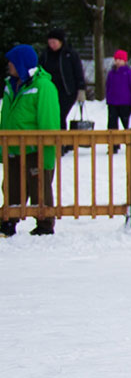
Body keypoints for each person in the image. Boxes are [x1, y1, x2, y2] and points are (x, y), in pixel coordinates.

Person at [2, 43, 61, 237]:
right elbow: (6, 117)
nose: (9, 65)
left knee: (39, 187)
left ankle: (44, 225)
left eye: (12, 62)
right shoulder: (11, 85)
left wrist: (48, 152)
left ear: (21, 63)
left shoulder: (43, 86)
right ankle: (8, 221)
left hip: (36, 149)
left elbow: (49, 122)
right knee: (10, 187)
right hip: (12, 147)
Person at [39, 30, 85, 122]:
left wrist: (81, 88)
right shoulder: (45, 54)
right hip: (50, 90)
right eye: (50, 42)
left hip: (67, 91)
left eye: (54, 42)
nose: (52, 45)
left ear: (60, 42)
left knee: (60, 115)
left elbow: (78, 71)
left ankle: (60, 134)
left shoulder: (70, 54)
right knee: (53, 115)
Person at [103, 50, 131, 131]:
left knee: (128, 124)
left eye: (120, 59)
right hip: (113, 102)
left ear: (125, 61)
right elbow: (108, 86)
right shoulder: (111, 73)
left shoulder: (129, 72)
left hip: (125, 103)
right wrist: (108, 98)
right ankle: (114, 143)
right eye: (116, 60)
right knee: (112, 125)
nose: (118, 62)